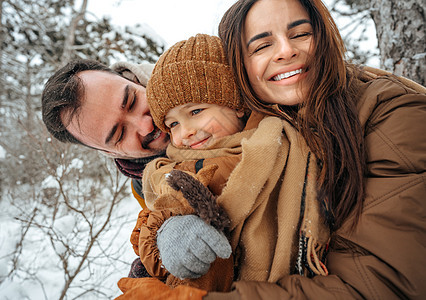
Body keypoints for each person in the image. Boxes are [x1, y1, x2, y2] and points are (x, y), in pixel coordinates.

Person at [116, 0, 426, 299]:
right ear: (241, 67)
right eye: (262, 45)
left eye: (300, 34)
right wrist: (165, 233)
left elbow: (382, 283)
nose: (286, 50)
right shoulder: (264, 125)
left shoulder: (392, 115)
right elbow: (171, 198)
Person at [116, 33, 331, 299]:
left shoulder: (287, 137)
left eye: (196, 112)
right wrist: (165, 232)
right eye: (173, 124)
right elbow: (163, 207)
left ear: (236, 104)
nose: (186, 133)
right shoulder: (174, 170)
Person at [41, 59, 170, 208]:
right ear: (110, 152)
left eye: (132, 101)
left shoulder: (199, 67)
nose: (146, 126)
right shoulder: (147, 194)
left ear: (135, 80)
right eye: (120, 134)